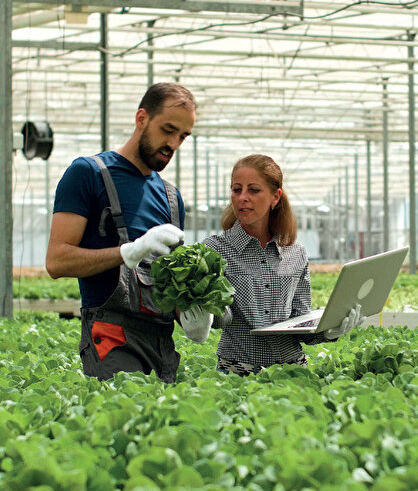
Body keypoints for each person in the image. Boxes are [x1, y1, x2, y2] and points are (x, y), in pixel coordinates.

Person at [46, 83, 213, 384]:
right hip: (112, 339)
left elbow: (165, 284)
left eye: (183, 136)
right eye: (168, 129)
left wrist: (190, 314)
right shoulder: (89, 174)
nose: (173, 143)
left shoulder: (171, 198)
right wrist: (127, 252)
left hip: (162, 345)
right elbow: (57, 261)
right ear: (141, 119)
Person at [203, 154, 364, 376]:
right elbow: (218, 319)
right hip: (237, 372)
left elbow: (300, 321)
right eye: (236, 189)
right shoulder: (215, 250)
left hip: (293, 371)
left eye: (254, 190)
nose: (242, 197)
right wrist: (204, 311)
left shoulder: (296, 253)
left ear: (275, 197)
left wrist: (331, 329)